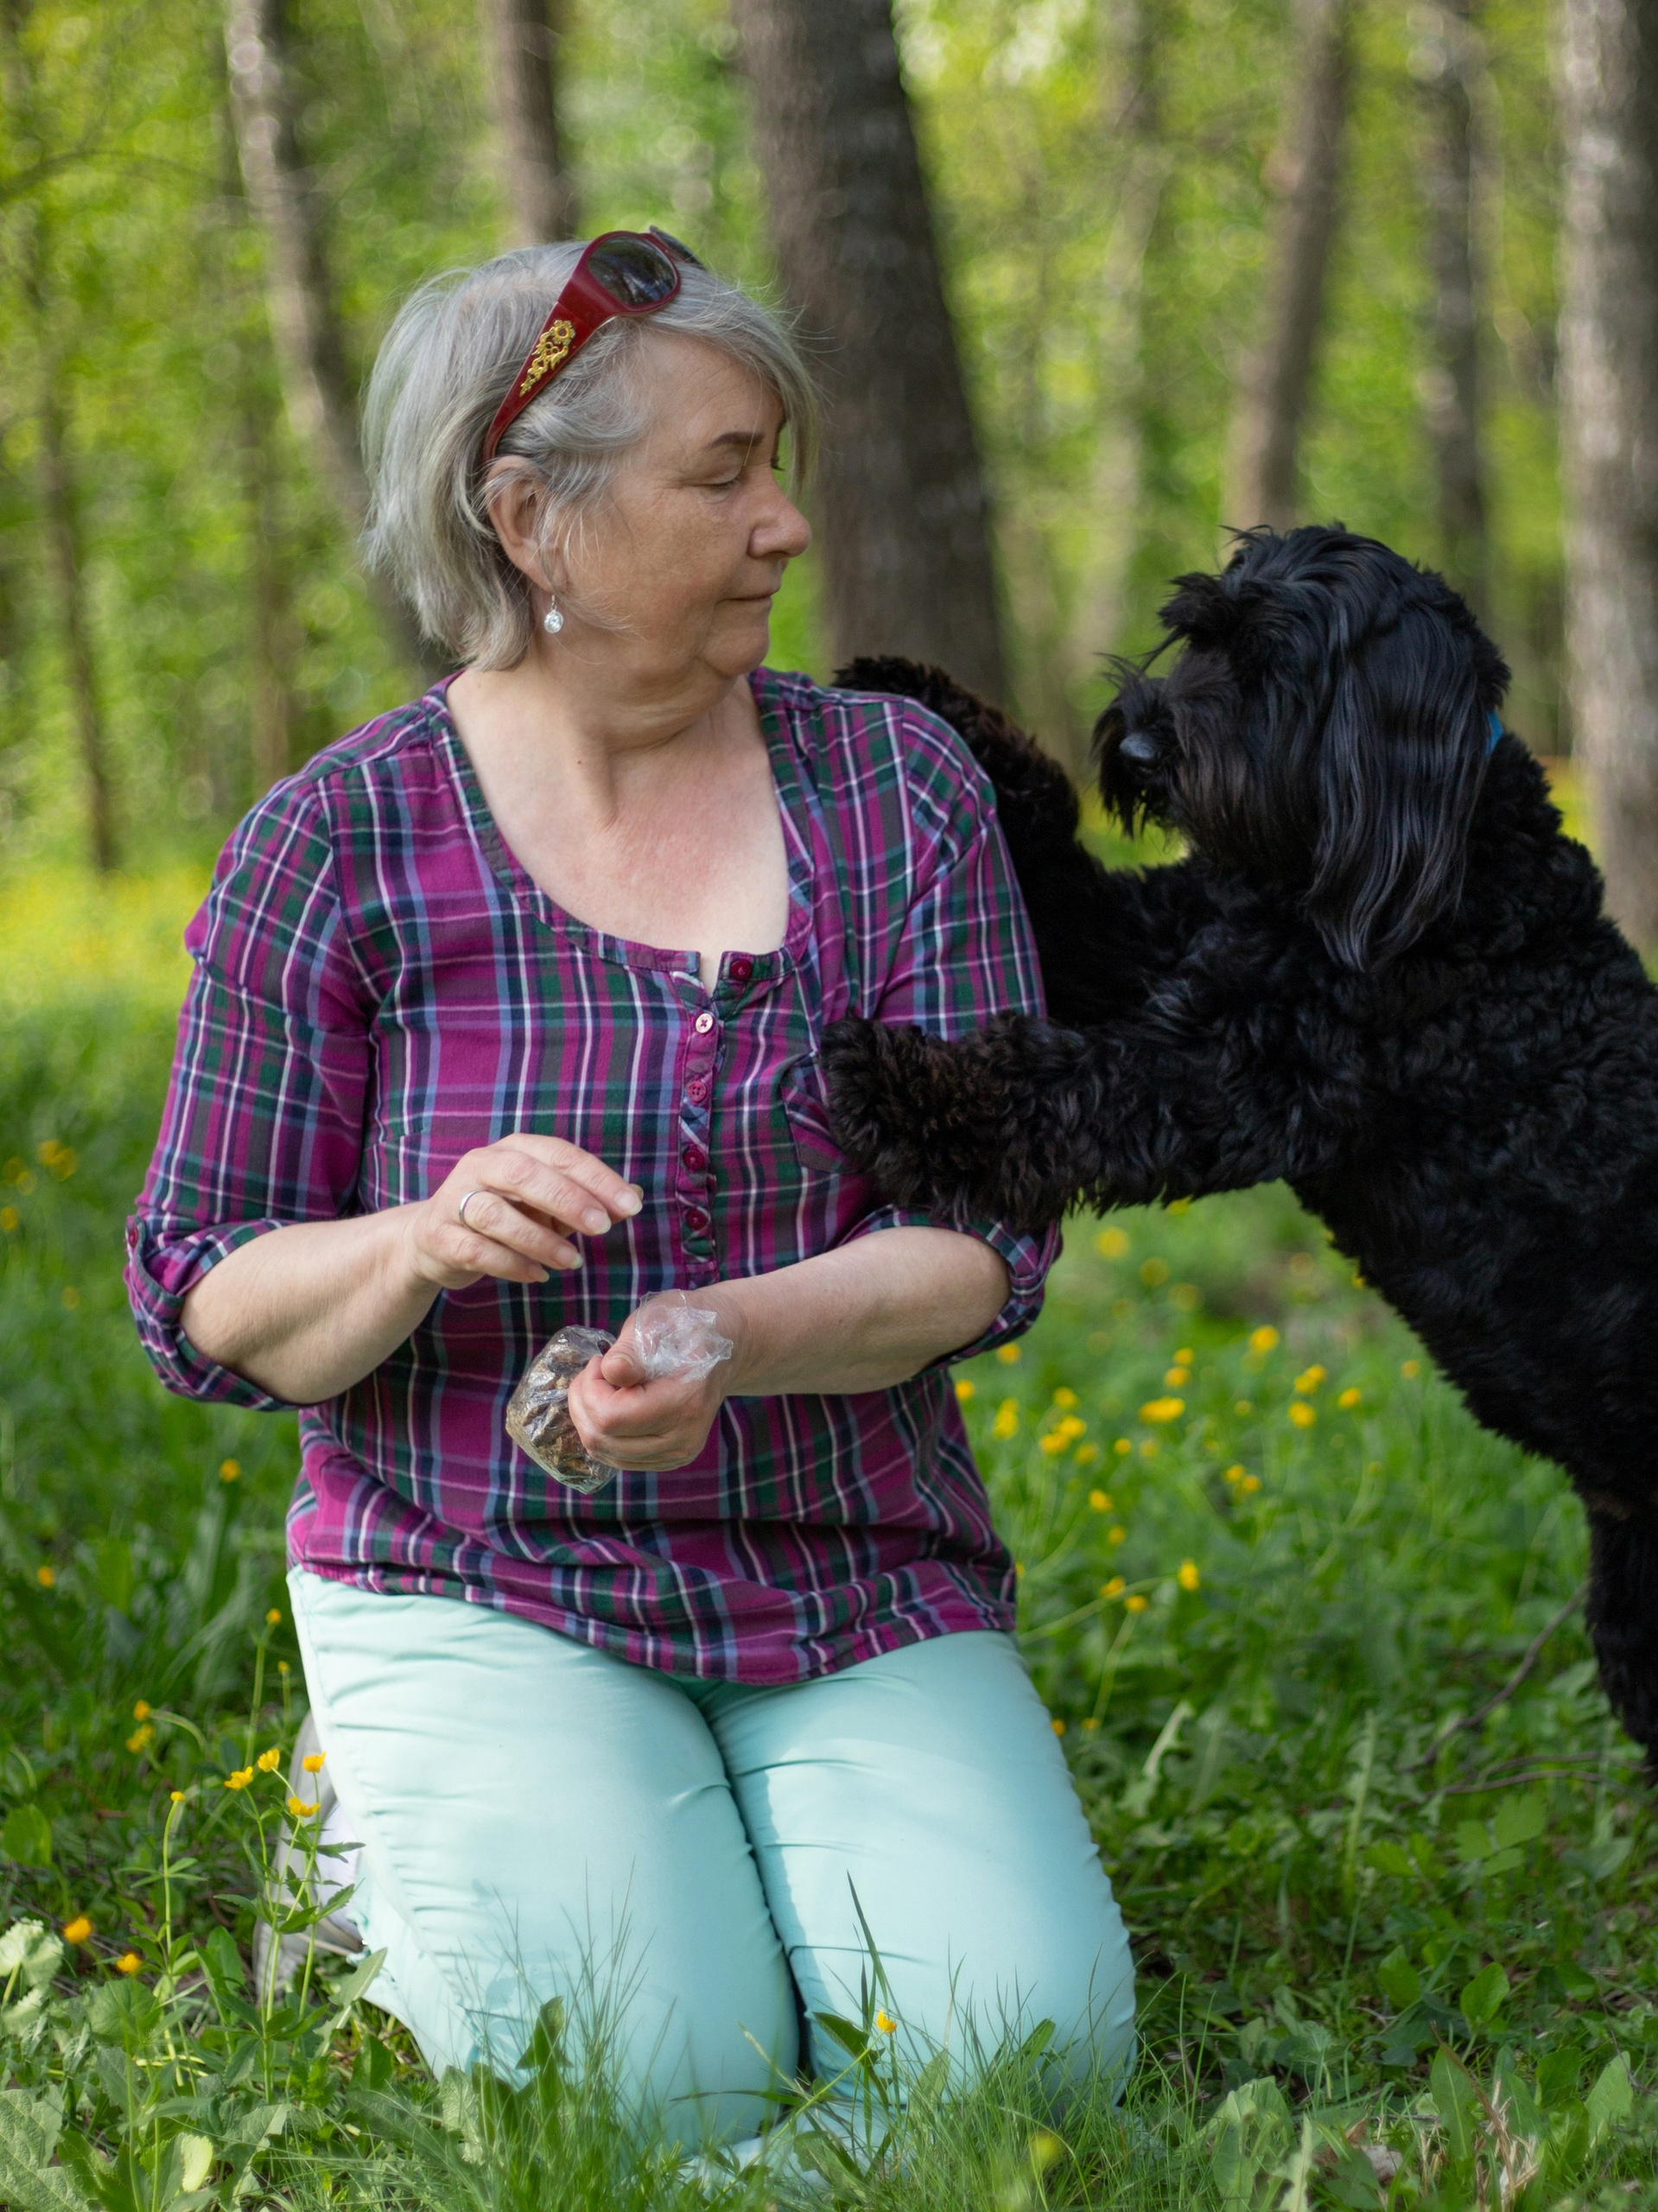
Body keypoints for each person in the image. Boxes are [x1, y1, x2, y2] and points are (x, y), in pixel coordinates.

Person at [126, 228, 1133, 2150]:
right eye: (723, 472)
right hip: (476, 1574)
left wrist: (725, 1334)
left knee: (1029, 2065)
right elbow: (200, 1289)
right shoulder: (331, 845)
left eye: (777, 465)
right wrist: (418, 1238)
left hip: (847, 1563)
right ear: (530, 517)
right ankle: (383, 1817)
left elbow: (981, 1240)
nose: (784, 526)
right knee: (645, 2091)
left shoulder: (896, 791)